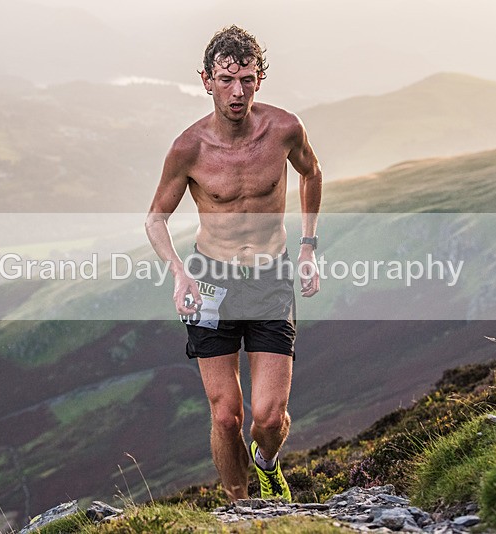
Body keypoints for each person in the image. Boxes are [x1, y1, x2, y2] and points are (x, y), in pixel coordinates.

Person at [145, 25, 322, 502]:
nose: (237, 91)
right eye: (226, 79)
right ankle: (240, 508)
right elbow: (155, 220)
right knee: (226, 414)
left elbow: (312, 172)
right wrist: (179, 273)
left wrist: (307, 247)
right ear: (205, 80)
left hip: (270, 278)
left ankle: (267, 462)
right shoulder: (190, 148)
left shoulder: (284, 129)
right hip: (211, 281)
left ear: (260, 78)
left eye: (246, 78)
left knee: (267, 417)